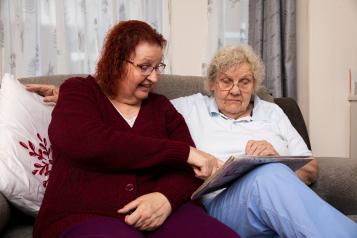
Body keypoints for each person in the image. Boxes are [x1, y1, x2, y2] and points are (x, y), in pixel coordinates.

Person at [28, 45, 357, 237]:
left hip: (273, 199)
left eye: (245, 82)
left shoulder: (273, 113)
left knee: (269, 175)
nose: (235, 90)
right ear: (212, 84)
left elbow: (310, 169)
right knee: (267, 179)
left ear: (255, 84)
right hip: (220, 204)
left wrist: (275, 159)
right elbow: (127, 106)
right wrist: (71, 94)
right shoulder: (186, 107)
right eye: (226, 82)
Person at [31, 20, 240, 238]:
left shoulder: (162, 108)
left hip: (166, 214)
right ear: (116, 62)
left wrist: (165, 199)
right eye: (144, 67)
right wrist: (184, 152)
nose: (154, 77)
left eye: (158, 67)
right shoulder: (79, 91)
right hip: (85, 215)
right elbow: (85, 141)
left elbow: (189, 172)